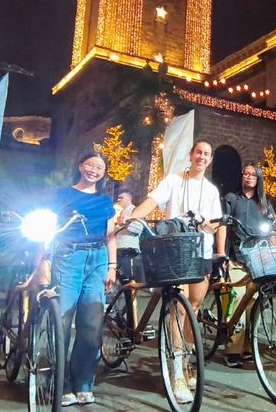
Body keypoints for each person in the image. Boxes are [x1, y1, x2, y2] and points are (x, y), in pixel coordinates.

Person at [128, 139, 225, 404]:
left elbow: (216, 224)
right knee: (178, 309)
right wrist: (134, 217)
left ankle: (187, 361)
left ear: (209, 159)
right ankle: (176, 373)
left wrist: (211, 229)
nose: (202, 157)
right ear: (191, 155)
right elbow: (152, 200)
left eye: (207, 154)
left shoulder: (211, 190)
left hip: (200, 250)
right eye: (198, 152)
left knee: (194, 307)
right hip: (175, 249)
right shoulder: (173, 180)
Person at [37, 152, 118, 407]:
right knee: (62, 321)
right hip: (68, 258)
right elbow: (49, 228)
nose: (94, 170)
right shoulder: (63, 196)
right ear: (81, 166)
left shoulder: (106, 201)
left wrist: (112, 266)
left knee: (92, 325)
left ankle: (83, 382)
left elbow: (111, 235)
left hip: (98, 260)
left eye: (100, 167)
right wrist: (44, 259)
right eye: (90, 164)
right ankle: (59, 383)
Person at [221, 163, 276, 367]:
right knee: (237, 300)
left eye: (253, 175)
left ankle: (247, 346)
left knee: (254, 304)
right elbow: (224, 226)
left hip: (259, 259)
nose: (248, 177)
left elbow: (272, 229)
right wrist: (222, 254)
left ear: (259, 179)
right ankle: (233, 350)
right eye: (245, 174)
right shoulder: (232, 199)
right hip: (237, 258)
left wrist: (272, 253)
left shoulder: (264, 203)